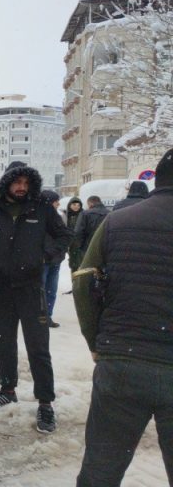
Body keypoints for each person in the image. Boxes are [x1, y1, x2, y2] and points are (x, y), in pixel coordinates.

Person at [73, 148, 173, 487]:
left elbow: (85, 277)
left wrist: (97, 340)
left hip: (122, 361)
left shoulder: (118, 220)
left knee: (101, 469)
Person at [0, 162, 72, 433]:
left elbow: (64, 236)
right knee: (4, 340)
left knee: (38, 345)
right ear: (7, 183)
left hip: (31, 286)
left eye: (26, 183)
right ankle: (7, 388)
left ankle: (45, 402)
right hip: (0, 285)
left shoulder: (41, 208)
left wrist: (46, 257)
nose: (22, 187)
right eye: (17, 182)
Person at [40, 190, 63, 328]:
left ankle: (47, 316)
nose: (58, 204)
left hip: (56, 260)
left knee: (51, 290)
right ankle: (40, 316)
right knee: (40, 289)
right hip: (43, 260)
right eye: (56, 201)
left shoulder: (58, 217)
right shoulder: (38, 219)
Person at [64, 197, 84, 293]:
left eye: (78, 205)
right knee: (73, 265)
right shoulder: (66, 216)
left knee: (81, 265)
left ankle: (80, 287)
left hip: (80, 245)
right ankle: (74, 286)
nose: (76, 207)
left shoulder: (83, 215)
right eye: (74, 205)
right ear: (70, 205)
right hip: (71, 246)